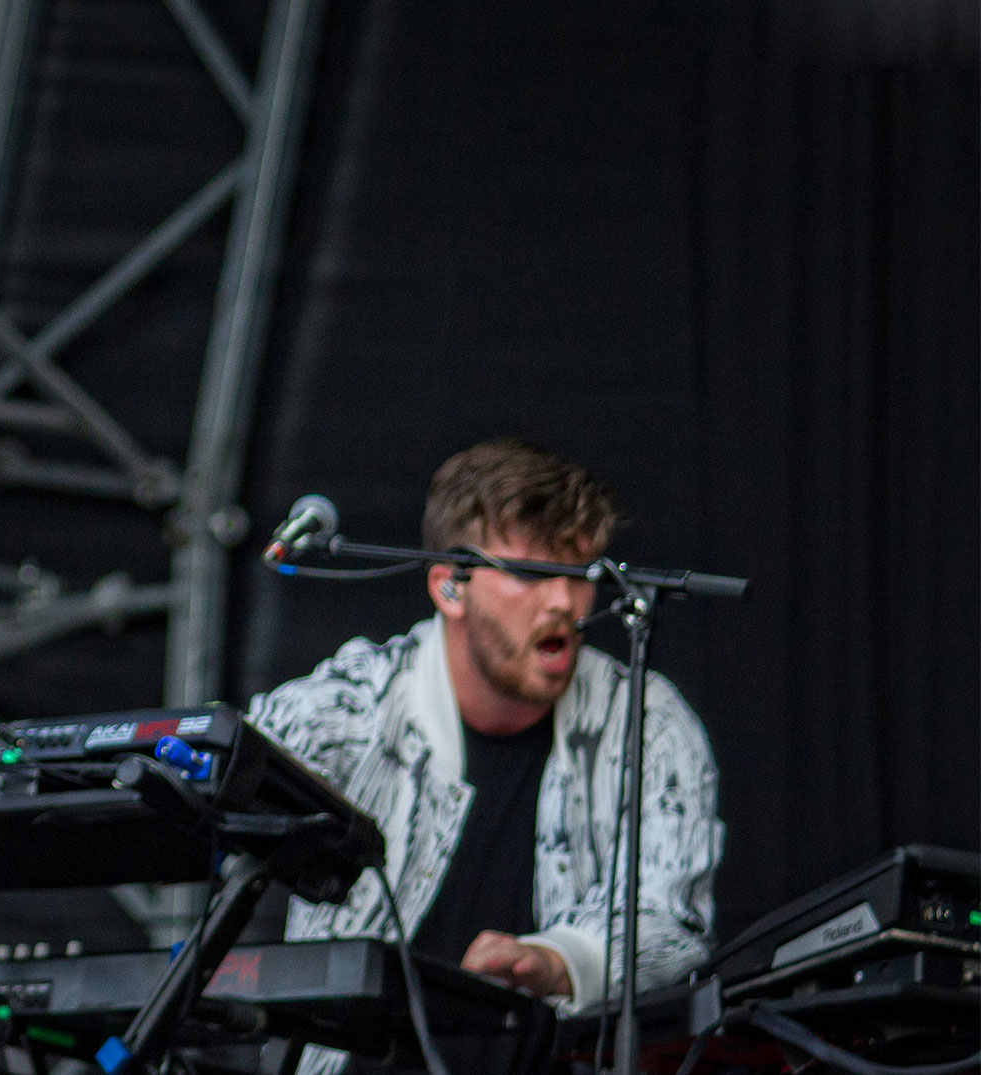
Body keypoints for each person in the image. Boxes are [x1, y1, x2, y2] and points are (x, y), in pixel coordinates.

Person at [248, 438, 722, 1074]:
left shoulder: (647, 719)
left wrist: (559, 960)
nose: (565, 602)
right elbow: (233, 762)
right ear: (450, 588)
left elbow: (674, 920)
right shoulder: (361, 699)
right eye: (532, 574)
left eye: (582, 574)